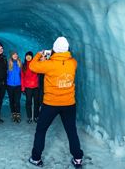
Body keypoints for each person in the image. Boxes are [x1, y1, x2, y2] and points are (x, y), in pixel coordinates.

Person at [28, 37, 84, 168]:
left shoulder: (49, 64)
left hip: (51, 104)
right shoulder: (73, 63)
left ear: (54, 49)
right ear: (67, 49)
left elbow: (32, 66)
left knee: (41, 130)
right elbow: (64, 61)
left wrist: (40, 54)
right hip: (69, 103)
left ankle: (36, 158)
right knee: (71, 131)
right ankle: (78, 158)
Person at [21, 51, 40, 124]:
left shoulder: (35, 64)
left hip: (35, 86)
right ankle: (29, 117)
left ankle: (36, 116)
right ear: (25, 57)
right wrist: (23, 88)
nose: (28, 57)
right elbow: (22, 77)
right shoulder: (24, 66)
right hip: (28, 87)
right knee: (28, 102)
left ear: (32, 57)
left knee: (36, 102)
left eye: (30, 56)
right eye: (27, 56)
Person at [7, 51, 22, 123]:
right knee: (11, 100)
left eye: (16, 54)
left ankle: (18, 114)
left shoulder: (20, 64)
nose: (15, 55)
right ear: (11, 56)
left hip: (18, 85)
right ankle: (13, 113)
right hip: (10, 85)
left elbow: (22, 74)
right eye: (14, 54)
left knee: (17, 100)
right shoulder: (8, 64)